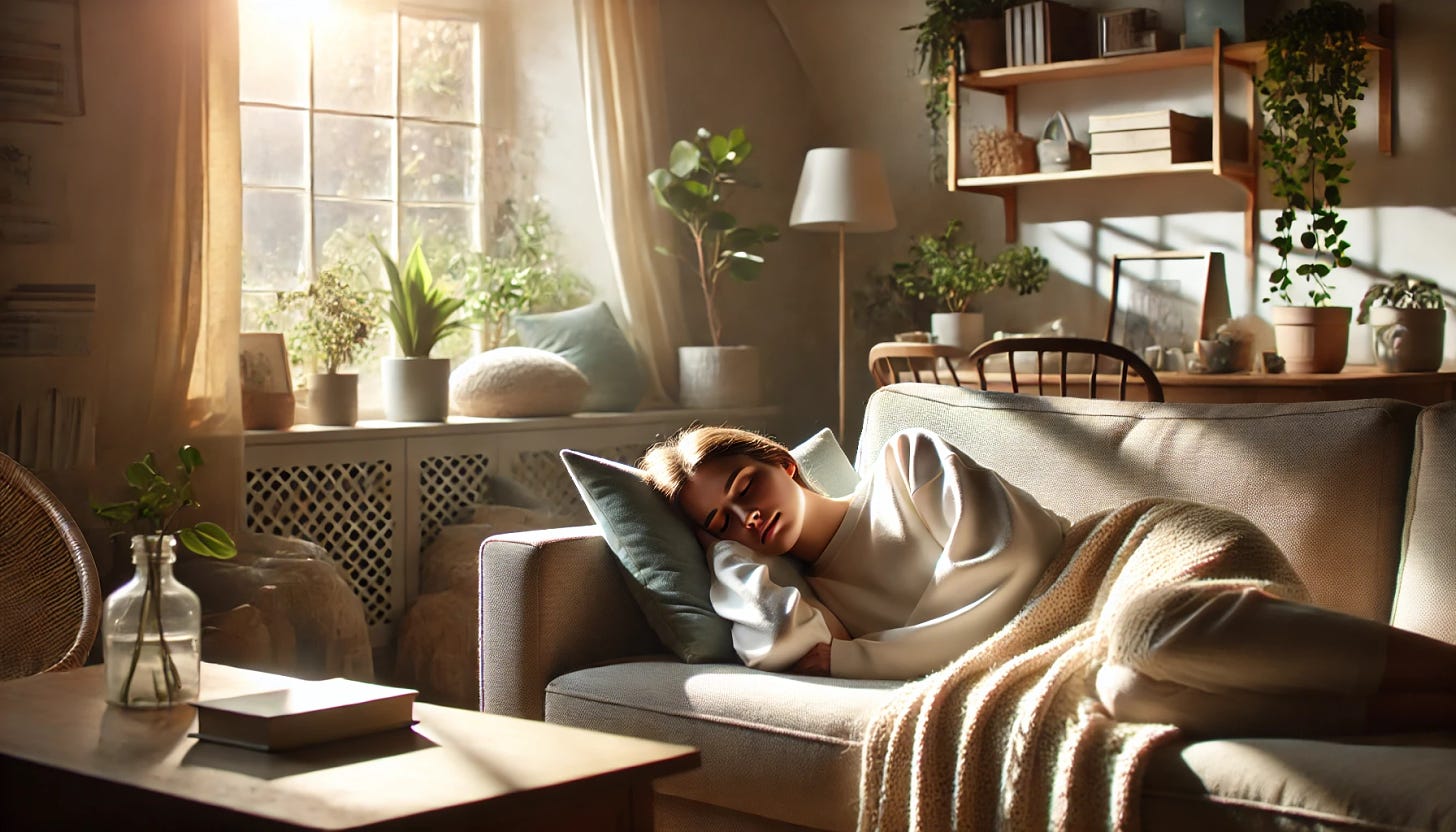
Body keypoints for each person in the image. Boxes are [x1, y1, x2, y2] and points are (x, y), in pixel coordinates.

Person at [640, 424, 1456, 737]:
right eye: (720, 523)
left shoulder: (904, 462)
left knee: (1142, 637)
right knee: (1127, 695)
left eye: (747, 488)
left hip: (1128, 556)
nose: (746, 519)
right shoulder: (812, 604)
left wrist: (863, 658)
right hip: (1087, 642)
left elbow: (1009, 574)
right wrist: (729, 555)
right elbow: (779, 644)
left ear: (782, 462)